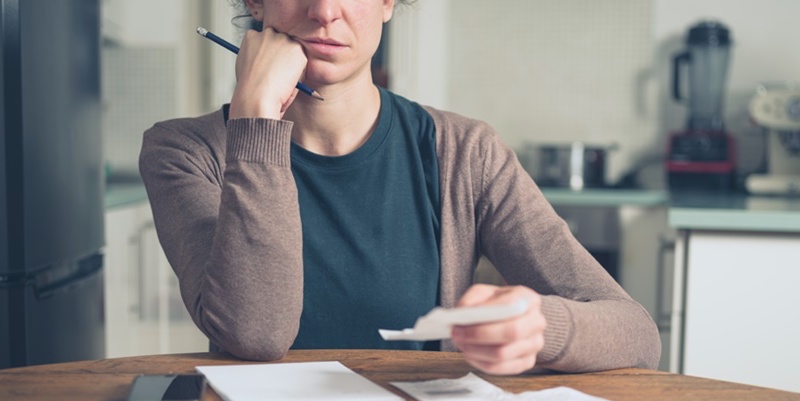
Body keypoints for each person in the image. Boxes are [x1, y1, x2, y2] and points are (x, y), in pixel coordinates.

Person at [139, 0, 660, 375]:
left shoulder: (465, 152)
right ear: (256, 3)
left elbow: (636, 334)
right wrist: (255, 118)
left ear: (388, 3)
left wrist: (541, 327)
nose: (325, 11)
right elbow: (256, 334)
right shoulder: (182, 152)